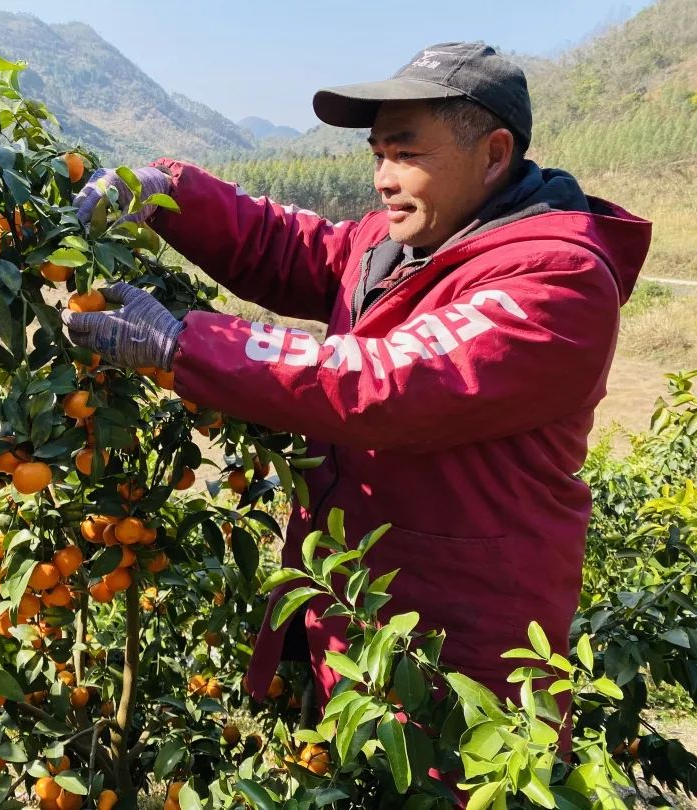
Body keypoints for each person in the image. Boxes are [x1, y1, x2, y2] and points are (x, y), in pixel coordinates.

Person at [61, 42, 652, 710]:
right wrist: (172, 191)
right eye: (378, 154)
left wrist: (187, 344)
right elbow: (288, 248)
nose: (384, 178)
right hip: (344, 616)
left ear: (493, 154)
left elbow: (386, 381)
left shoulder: (556, 280)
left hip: (456, 663)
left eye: (407, 153)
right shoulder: (401, 243)